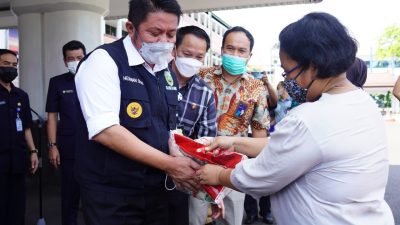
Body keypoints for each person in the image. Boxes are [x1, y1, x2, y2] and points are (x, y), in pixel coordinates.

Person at [197, 12, 394, 225]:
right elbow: (286, 146)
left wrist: (217, 175)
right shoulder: (362, 103)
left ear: (313, 65)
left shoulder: (309, 118)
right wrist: (234, 141)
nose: (288, 80)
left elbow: (262, 176)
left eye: (287, 71)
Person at [74, 0, 201, 224]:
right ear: (130, 27)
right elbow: (105, 130)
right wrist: (171, 165)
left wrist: (188, 167)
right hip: (115, 195)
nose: (164, 42)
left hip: (156, 190)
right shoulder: (103, 62)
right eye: (155, 33)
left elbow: (167, 126)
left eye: (171, 34)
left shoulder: (163, 68)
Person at [198, 26, 270, 225]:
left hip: (232, 169)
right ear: (221, 50)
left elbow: (260, 136)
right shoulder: (201, 76)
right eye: (230, 49)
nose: (235, 54)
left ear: (249, 55)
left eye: (241, 51)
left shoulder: (256, 88)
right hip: (196, 163)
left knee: (230, 220)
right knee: (192, 218)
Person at [167, 25, 217, 225]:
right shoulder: (154, 79)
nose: (192, 61)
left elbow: (207, 137)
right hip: (144, 170)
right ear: (174, 50)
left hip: (181, 175)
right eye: (187, 53)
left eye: (198, 57)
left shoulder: (204, 93)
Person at [45, 40, 86, 225]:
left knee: (94, 198)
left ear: (86, 58)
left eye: (79, 57)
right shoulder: (57, 83)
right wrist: (52, 145)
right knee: (69, 196)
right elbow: (52, 116)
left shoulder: (97, 79)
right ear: (64, 61)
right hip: (68, 148)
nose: (75, 61)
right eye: (71, 58)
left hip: (96, 147)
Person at [0, 49, 39, 225]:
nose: (11, 68)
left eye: (14, 65)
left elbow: (26, 127)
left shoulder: (21, 95)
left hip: (17, 159)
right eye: (5, 64)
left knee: (17, 206)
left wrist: (33, 151)